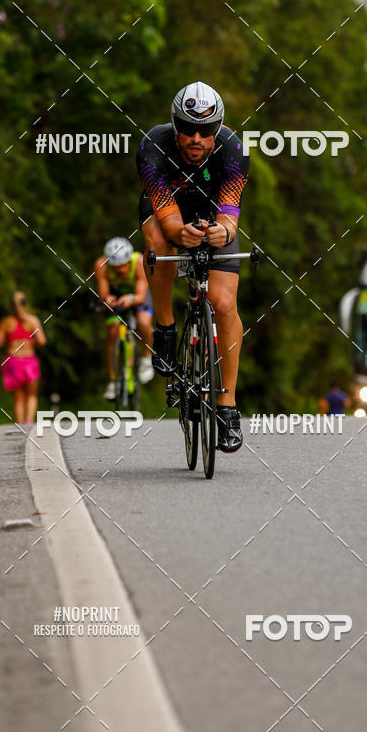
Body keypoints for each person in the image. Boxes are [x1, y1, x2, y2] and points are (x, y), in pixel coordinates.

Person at [136, 81, 249, 453]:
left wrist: (224, 231)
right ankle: (165, 328)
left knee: (224, 303)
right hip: (168, 215)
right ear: (174, 124)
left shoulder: (233, 149)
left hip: (213, 217)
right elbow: (167, 221)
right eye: (187, 128)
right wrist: (178, 232)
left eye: (205, 129)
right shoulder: (154, 145)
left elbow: (231, 211)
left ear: (218, 128)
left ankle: (227, 406)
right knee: (156, 238)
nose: (196, 137)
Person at [94, 237, 155, 401]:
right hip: (117, 296)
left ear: (129, 260)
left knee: (143, 321)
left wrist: (131, 299)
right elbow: (103, 294)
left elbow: (141, 296)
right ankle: (113, 381)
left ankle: (146, 357)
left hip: (137, 295)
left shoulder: (139, 262)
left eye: (124, 265)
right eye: (116, 266)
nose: (120, 270)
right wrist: (107, 299)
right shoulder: (102, 265)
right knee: (112, 332)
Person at [0, 291, 46, 424]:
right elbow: (41, 341)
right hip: (29, 361)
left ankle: (20, 424)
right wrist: (29, 342)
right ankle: (29, 421)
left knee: (19, 398)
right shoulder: (33, 321)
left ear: (11, 306)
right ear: (26, 304)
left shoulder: (7, 322)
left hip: (13, 361)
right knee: (31, 395)